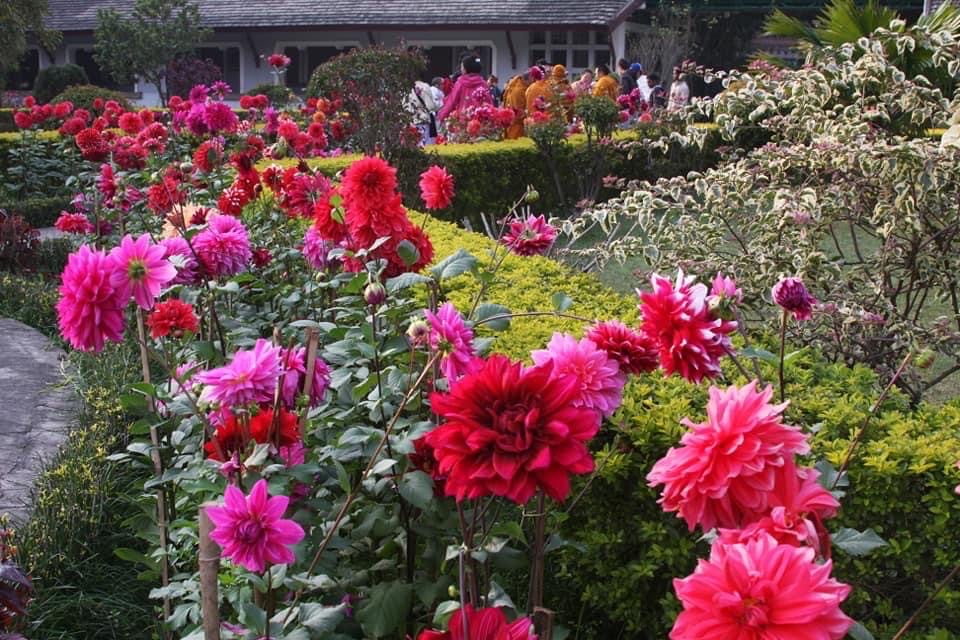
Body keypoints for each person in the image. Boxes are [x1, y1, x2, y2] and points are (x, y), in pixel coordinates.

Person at [437, 54, 493, 123]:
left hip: (464, 121)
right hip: (480, 121)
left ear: (466, 69)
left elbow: (452, 101)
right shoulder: (483, 83)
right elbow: (489, 103)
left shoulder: (460, 82)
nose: (461, 69)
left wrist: (442, 115)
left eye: (462, 67)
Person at [406, 79, 440, 144]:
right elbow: (430, 106)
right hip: (424, 119)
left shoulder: (405, 88)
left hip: (412, 121)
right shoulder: (425, 86)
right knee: (426, 143)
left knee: (416, 143)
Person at [502, 72, 530, 139]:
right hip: (516, 125)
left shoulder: (515, 87)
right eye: (532, 80)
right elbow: (518, 111)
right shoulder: (519, 90)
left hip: (511, 123)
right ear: (526, 80)